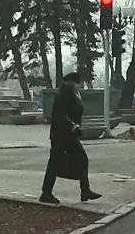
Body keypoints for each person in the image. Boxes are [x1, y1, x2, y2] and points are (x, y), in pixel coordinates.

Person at [40, 72, 103, 205]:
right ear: (68, 82)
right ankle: (46, 193)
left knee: (82, 159)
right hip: (61, 135)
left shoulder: (73, 93)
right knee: (54, 163)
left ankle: (85, 190)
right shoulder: (62, 95)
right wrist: (73, 125)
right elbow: (60, 114)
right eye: (74, 82)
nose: (75, 85)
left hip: (70, 135)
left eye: (76, 83)